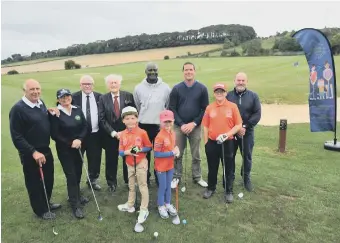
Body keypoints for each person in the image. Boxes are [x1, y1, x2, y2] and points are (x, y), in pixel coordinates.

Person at [9, 79, 61, 220]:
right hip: (31, 153)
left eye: (37, 89)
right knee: (34, 182)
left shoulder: (40, 103)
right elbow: (17, 136)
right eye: (32, 89)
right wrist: (33, 152)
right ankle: (40, 210)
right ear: (24, 91)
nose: (35, 92)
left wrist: (51, 112)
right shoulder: (17, 109)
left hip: (45, 148)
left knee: (48, 179)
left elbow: (41, 120)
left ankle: (46, 203)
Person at [50, 88, 88, 219]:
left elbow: (85, 126)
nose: (65, 99)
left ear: (71, 97)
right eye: (62, 97)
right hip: (65, 150)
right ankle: (75, 205)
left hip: (79, 147)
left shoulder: (77, 109)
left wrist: (80, 139)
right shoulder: (55, 113)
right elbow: (55, 134)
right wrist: (70, 142)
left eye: (67, 96)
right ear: (58, 99)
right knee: (71, 175)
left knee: (78, 173)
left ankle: (76, 195)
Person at [168, 62, 209, 188]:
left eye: (191, 69)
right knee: (177, 153)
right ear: (183, 72)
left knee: (196, 154)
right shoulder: (176, 88)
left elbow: (204, 109)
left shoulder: (202, 88)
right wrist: (181, 124)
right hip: (179, 126)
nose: (188, 72)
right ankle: (176, 176)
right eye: (186, 70)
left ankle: (197, 177)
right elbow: (172, 108)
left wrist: (194, 123)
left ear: (194, 71)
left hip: (195, 126)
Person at [202, 83, 242, 202]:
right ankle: (211, 188)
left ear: (225, 93)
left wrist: (227, 134)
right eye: (217, 92)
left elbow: (238, 125)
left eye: (222, 91)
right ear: (214, 94)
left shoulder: (232, 106)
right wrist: (206, 142)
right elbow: (205, 126)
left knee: (228, 168)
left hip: (228, 142)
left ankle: (228, 190)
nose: (219, 94)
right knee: (212, 167)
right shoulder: (209, 107)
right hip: (212, 143)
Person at [133, 62, 171, 186]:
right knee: (144, 153)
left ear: (158, 71)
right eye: (150, 71)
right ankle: (146, 177)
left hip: (160, 126)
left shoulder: (165, 88)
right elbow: (138, 106)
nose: (152, 73)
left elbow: (167, 106)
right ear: (146, 72)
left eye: (154, 71)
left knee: (159, 154)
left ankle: (159, 175)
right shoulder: (138, 88)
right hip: (144, 125)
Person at [98, 74, 135, 193]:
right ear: (107, 85)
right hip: (111, 136)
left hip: (127, 134)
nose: (113, 85)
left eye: (115, 82)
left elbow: (133, 114)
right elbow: (102, 119)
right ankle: (111, 182)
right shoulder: (103, 98)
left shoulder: (128, 95)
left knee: (127, 158)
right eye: (111, 83)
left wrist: (126, 131)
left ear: (119, 84)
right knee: (111, 159)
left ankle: (128, 180)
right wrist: (113, 133)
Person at [226, 72, 261, 192]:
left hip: (247, 132)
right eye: (238, 80)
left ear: (246, 82)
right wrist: (234, 129)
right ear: (234, 81)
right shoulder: (228, 96)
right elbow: (224, 115)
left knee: (247, 156)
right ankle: (229, 177)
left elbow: (257, 114)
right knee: (230, 156)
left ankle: (246, 178)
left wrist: (244, 126)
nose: (240, 82)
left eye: (243, 80)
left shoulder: (253, 96)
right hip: (231, 133)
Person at [117, 106, 152, 224]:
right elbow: (121, 151)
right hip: (129, 164)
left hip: (141, 163)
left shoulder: (142, 132)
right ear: (123, 121)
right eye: (127, 118)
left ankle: (144, 209)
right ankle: (130, 204)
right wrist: (128, 152)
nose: (130, 121)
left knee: (142, 185)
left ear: (137, 119)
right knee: (131, 185)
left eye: (133, 118)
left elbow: (148, 147)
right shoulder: (122, 134)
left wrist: (138, 149)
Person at [72, 75, 103, 191]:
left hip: (95, 134)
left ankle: (92, 180)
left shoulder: (100, 97)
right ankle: (76, 183)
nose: (87, 86)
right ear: (80, 85)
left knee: (95, 159)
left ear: (93, 85)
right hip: (79, 136)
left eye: (89, 84)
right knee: (77, 160)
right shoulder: (73, 97)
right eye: (84, 84)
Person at [154, 110, 180, 219]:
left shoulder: (173, 133)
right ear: (161, 122)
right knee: (163, 187)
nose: (167, 124)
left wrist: (176, 150)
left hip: (170, 165)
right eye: (165, 122)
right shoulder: (159, 136)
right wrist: (171, 153)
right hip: (161, 166)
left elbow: (173, 147)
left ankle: (168, 203)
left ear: (173, 121)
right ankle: (161, 206)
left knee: (168, 186)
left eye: (169, 121)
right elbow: (156, 153)